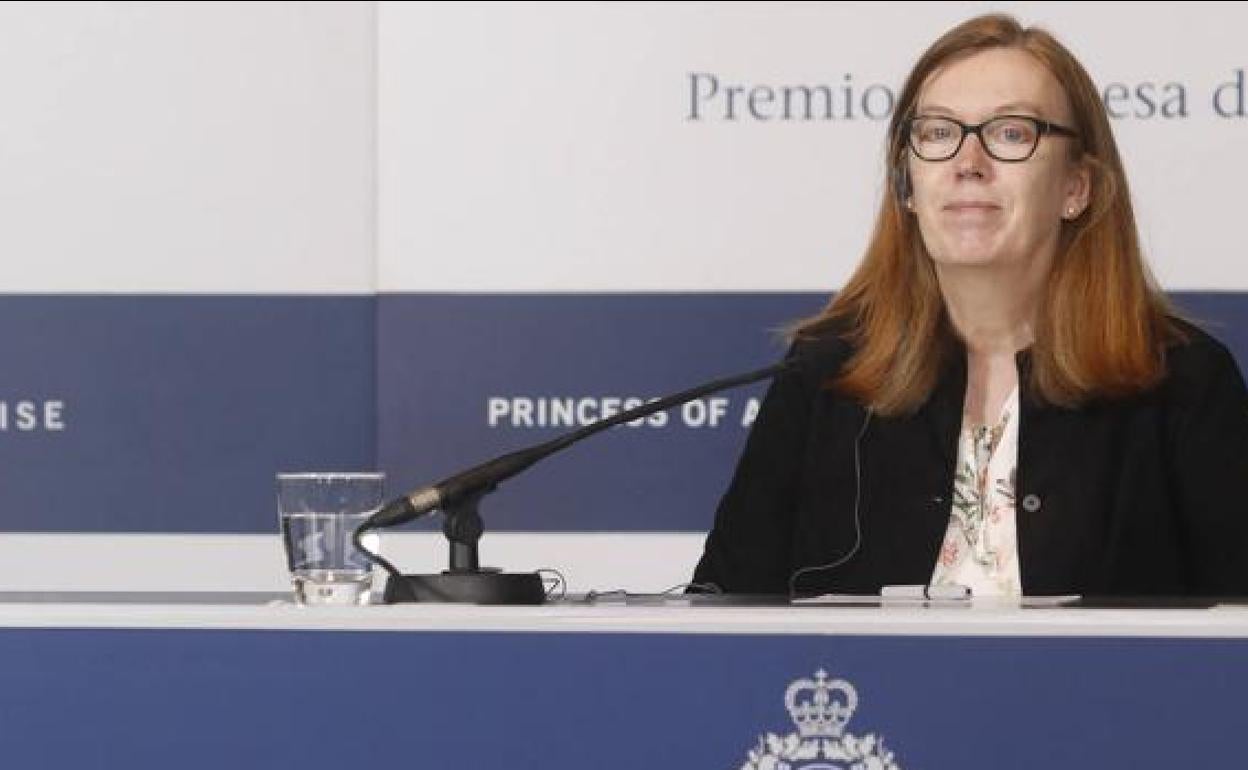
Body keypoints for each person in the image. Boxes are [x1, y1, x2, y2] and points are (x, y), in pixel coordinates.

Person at [691, 13, 1248, 599]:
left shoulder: (1182, 383)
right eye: (937, 133)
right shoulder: (824, 375)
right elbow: (721, 612)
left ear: (1074, 188)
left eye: (1010, 133)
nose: (967, 162)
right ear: (908, 185)